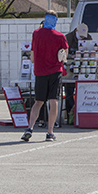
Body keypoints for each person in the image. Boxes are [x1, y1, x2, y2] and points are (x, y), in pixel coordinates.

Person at [22, 10, 68, 142]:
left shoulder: (36, 33)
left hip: (40, 71)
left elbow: (32, 56)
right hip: (55, 71)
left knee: (38, 102)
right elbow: (64, 55)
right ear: (55, 21)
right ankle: (50, 132)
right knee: (53, 101)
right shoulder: (60, 36)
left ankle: (30, 128)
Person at [64, 23, 92, 119]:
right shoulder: (67, 38)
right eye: (80, 35)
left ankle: (83, 112)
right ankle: (70, 114)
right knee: (69, 91)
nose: (82, 38)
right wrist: (71, 56)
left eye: (83, 36)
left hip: (83, 66)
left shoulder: (88, 38)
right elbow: (61, 53)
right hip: (70, 67)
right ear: (76, 31)